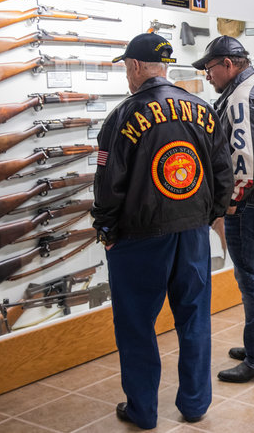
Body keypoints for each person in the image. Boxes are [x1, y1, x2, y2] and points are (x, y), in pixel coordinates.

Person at [92, 33, 233, 429]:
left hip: (139, 237)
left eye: (126, 67)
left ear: (135, 67)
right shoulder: (202, 108)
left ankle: (143, 410)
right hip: (191, 233)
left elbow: (108, 186)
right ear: (164, 65)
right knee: (194, 319)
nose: (126, 73)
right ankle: (195, 404)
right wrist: (209, 216)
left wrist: (106, 228)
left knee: (137, 325)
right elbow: (223, 174)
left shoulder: (122, 115)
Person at [192, 36, 254, 383]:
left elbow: (246, 162)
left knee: (251, 280)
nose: (207, 75)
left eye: (209, 68)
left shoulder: (239, 97)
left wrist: (229, 204)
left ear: (228, 64)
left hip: (250, 203)